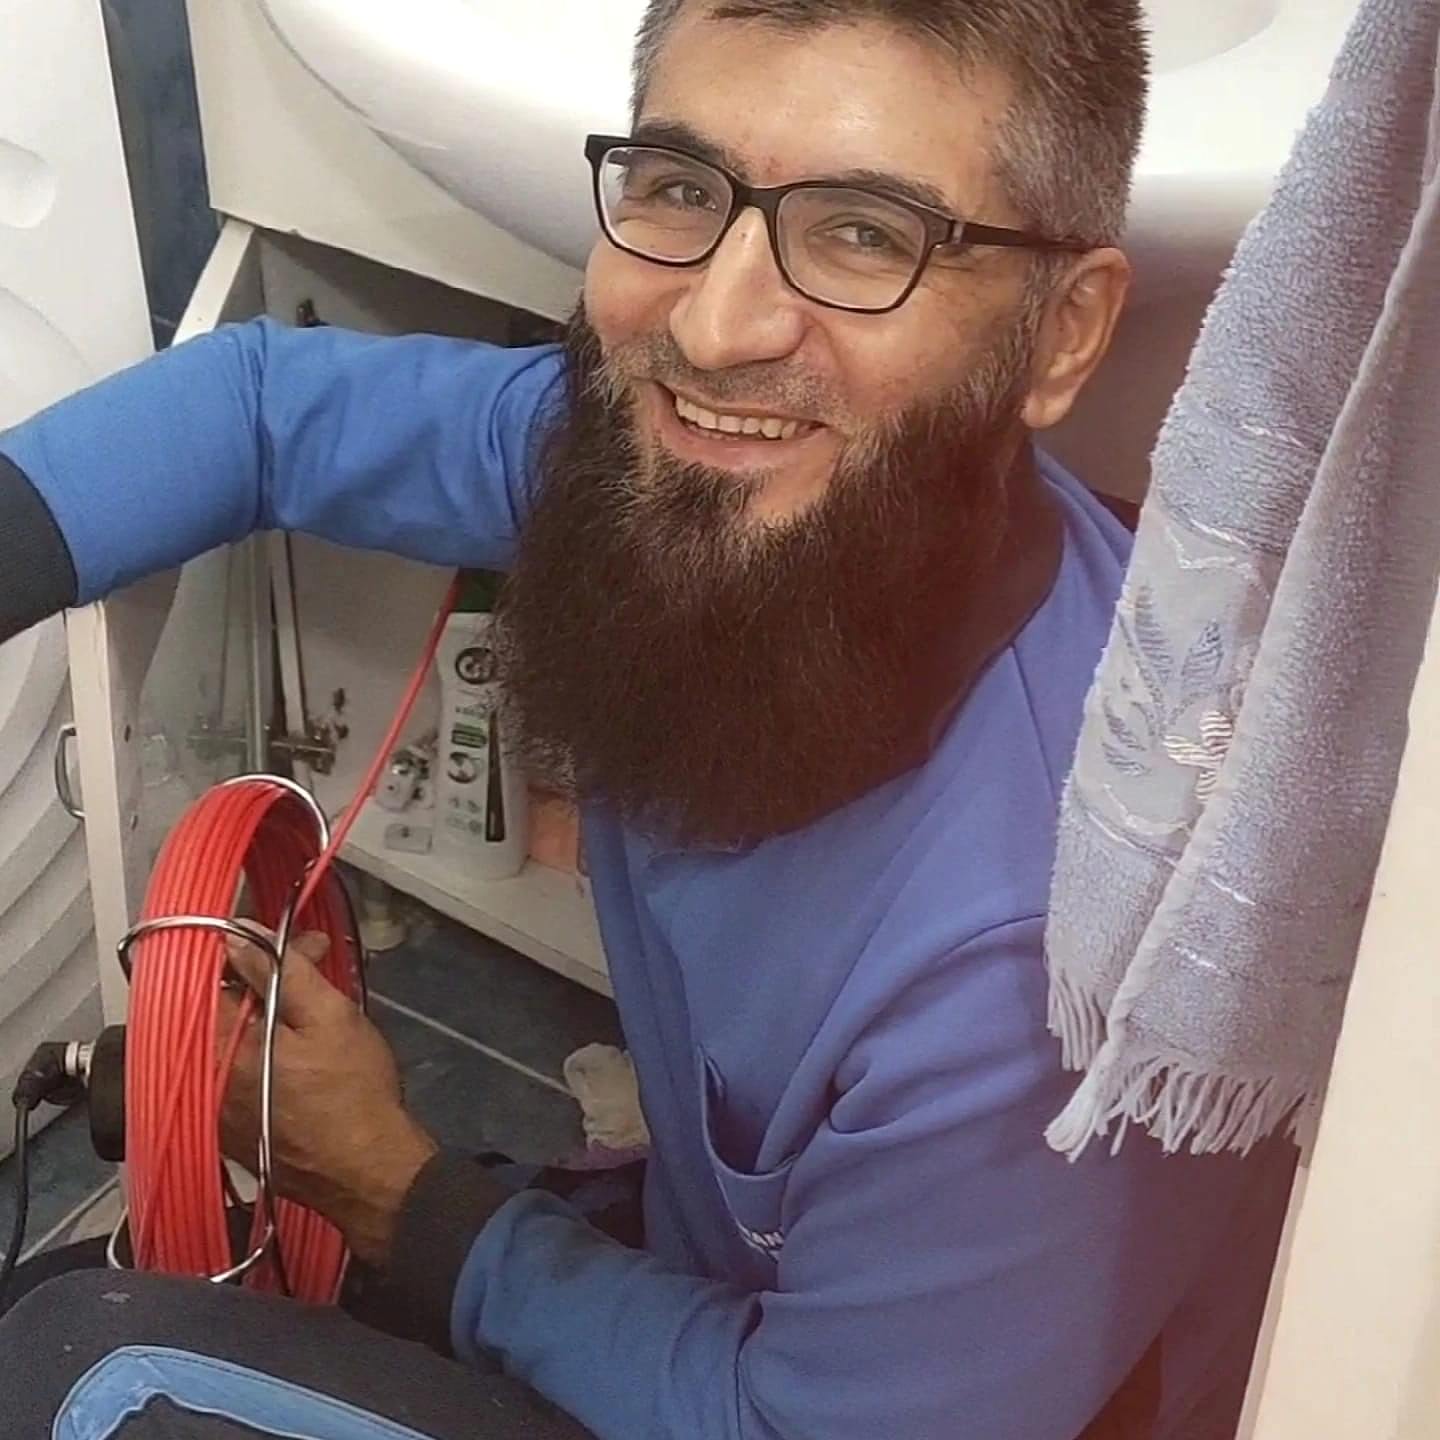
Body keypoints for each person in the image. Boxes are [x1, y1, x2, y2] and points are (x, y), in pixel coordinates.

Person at [0, 2, 1296, 1436]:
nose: (713, 328)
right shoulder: (704, 487)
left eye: (865, 233)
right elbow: (261, 408)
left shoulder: (1036, 966)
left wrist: (394, 1196)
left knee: (80, 1373)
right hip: (755, 1303)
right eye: (683, 189)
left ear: (1060, 334)